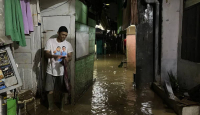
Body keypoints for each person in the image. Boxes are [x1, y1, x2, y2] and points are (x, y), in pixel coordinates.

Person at [44, 26, 73, 111]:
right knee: (49, 89)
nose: (64, 36)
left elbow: (70, 56)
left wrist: (68, 58)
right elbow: (46, 54)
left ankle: (62, 108)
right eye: (62, 34)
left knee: (63, 90)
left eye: (66, 35)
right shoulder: (50, 41)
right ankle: (50, 107)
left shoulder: (68, 44)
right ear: (58, 33)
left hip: (62, 71)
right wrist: (54, 56)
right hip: (51, 70)